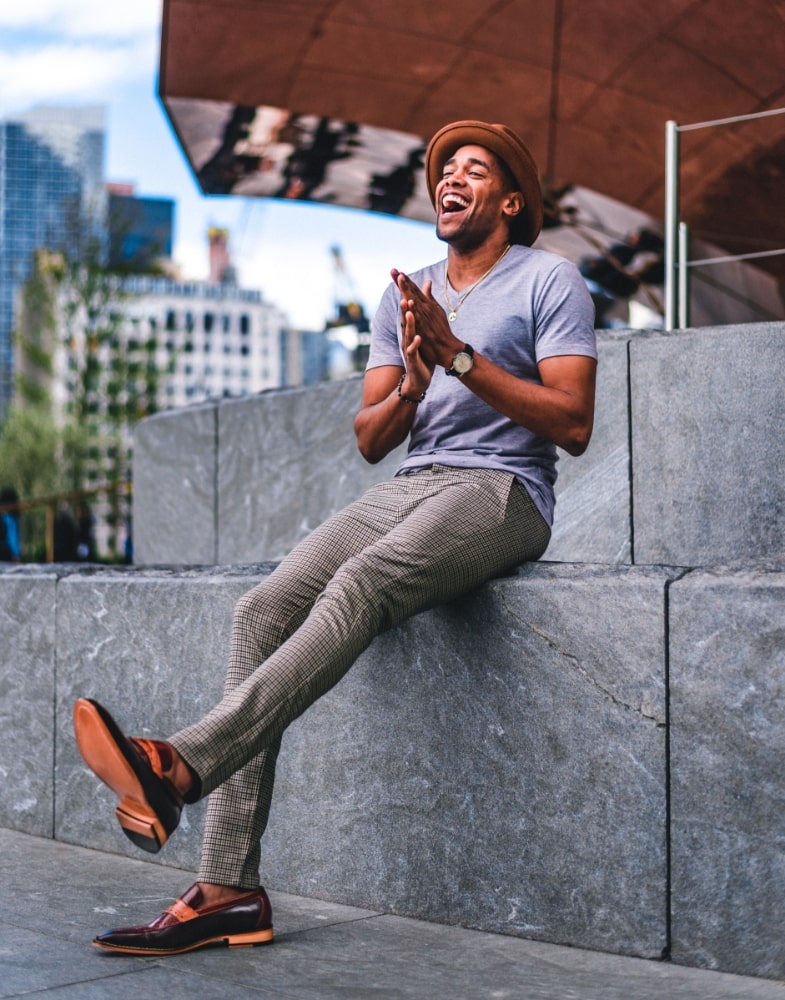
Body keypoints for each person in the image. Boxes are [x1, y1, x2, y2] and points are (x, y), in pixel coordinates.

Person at [73, 119, 598, 956]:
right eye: (442, 171)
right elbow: (370, 437)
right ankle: (228, 890)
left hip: (504, 493)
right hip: (414, 481)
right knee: (262, 607)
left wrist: (462, 361)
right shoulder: (406, 293)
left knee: (365, 579)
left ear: (509, 198)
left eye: (471, 169)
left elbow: (572, 422)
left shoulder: (548, 279)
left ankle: (176, 766)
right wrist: (416, 385)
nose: (449, 180)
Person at [0, 486, 21, 562]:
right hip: (6, 554)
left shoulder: (3, 516)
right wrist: (15, 555)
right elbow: (12, 537)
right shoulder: (9, 518)